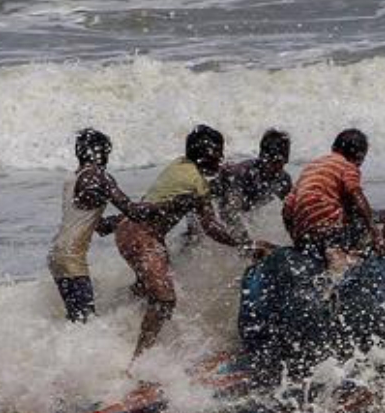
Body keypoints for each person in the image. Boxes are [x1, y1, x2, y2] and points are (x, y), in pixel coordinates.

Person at [116, 125, 275, 357]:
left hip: (132, 231)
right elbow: (210, 227)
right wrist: (244, 245)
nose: (221, 157)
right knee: (164, 300)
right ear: (207, 152)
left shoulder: (179, 165)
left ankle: (117, 322)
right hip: (141, 236)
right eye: (219, 152)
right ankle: (138, 359)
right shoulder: (195, 181)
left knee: (146, 291)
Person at [47, 128, 145, 321]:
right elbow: (132, 210)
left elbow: (99, 226)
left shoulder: (73, 178)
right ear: (99, 151)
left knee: (76, 319)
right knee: (86, 321)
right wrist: (161, 205)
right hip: (72, 258)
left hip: (57, 256)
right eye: (106, 152)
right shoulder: (99, 177)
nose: (107, 157)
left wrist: (119, 220)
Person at [282, 128, 385, 266]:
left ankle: (325, 251)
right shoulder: (347, 166)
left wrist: (296, 239)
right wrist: (373, 230)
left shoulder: (312, 167)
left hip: (306, 236)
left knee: (347, 210)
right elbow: (356, 194)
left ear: (333, 147)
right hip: (331, 229)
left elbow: (287, 208)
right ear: (359, 157)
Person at [209, 129, 294, 240]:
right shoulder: (244, 173)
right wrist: (245, 241)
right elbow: (228, 213)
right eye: (271, 161)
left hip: (241, 204)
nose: (276, 167)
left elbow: (291, 211)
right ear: (262, 156)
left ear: (286, 160)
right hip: (212, 194)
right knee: (197, 234)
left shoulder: (283, 181)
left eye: (280, 162)